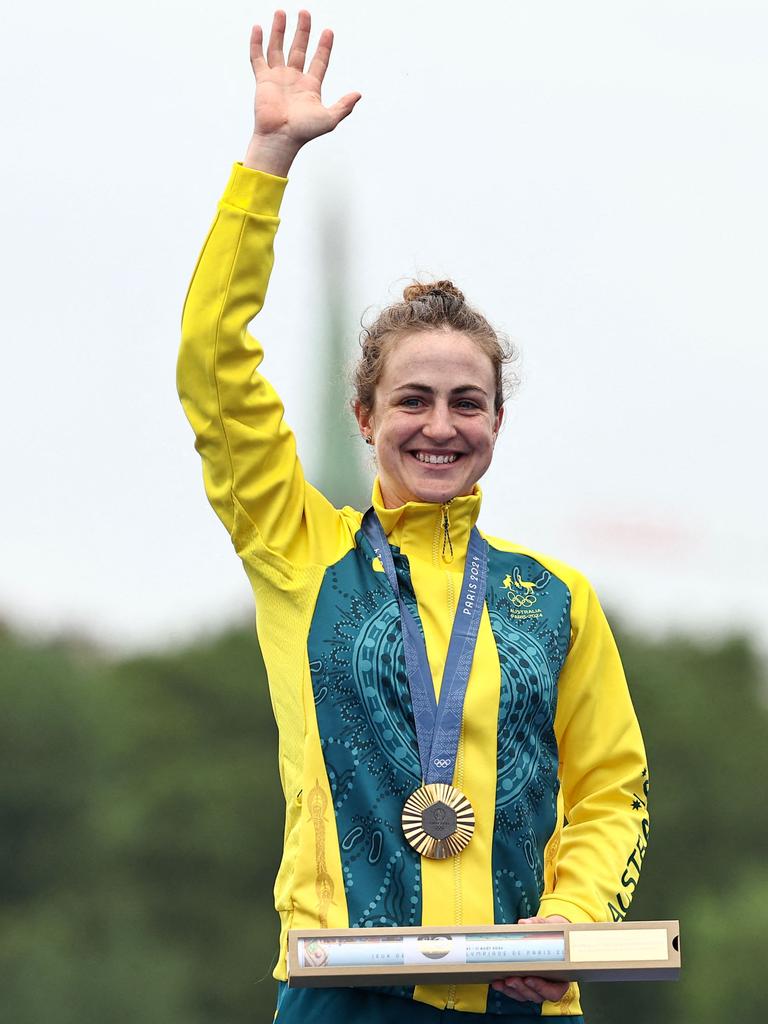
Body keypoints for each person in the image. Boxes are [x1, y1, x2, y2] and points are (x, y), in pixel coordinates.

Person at [177, 10, 650, 1021]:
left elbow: (616, 792)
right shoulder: (301, 552)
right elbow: (213, 366)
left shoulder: (554, 598)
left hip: (522, 996)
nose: (440, 426)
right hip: (343, 994)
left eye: (466, 402)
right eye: (413, 401)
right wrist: (267, 161)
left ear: (497, 420)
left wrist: (567, 920)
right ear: (366, 417)